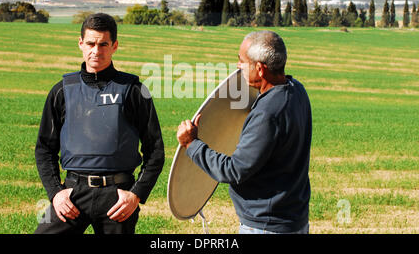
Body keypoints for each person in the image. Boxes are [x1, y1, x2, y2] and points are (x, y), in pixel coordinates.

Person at [35, 13, 165, 234]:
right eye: (90, 44)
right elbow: (44, 149)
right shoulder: (62, 91)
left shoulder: (134, 91)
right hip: (73, 192)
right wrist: (56, 192)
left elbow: (155, 150)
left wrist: (135, 194)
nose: (96, 51)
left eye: (103, 44)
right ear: (80, 44)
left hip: (118, 197)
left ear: (114, 46)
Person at [177, 31, 312, 234]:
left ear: (259, 68)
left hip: (267, 226)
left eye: (242, 61)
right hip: (294, 218)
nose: (238, 67)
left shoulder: (267, 114)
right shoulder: (297, 91)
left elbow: (234, 170)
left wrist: (192, 144)